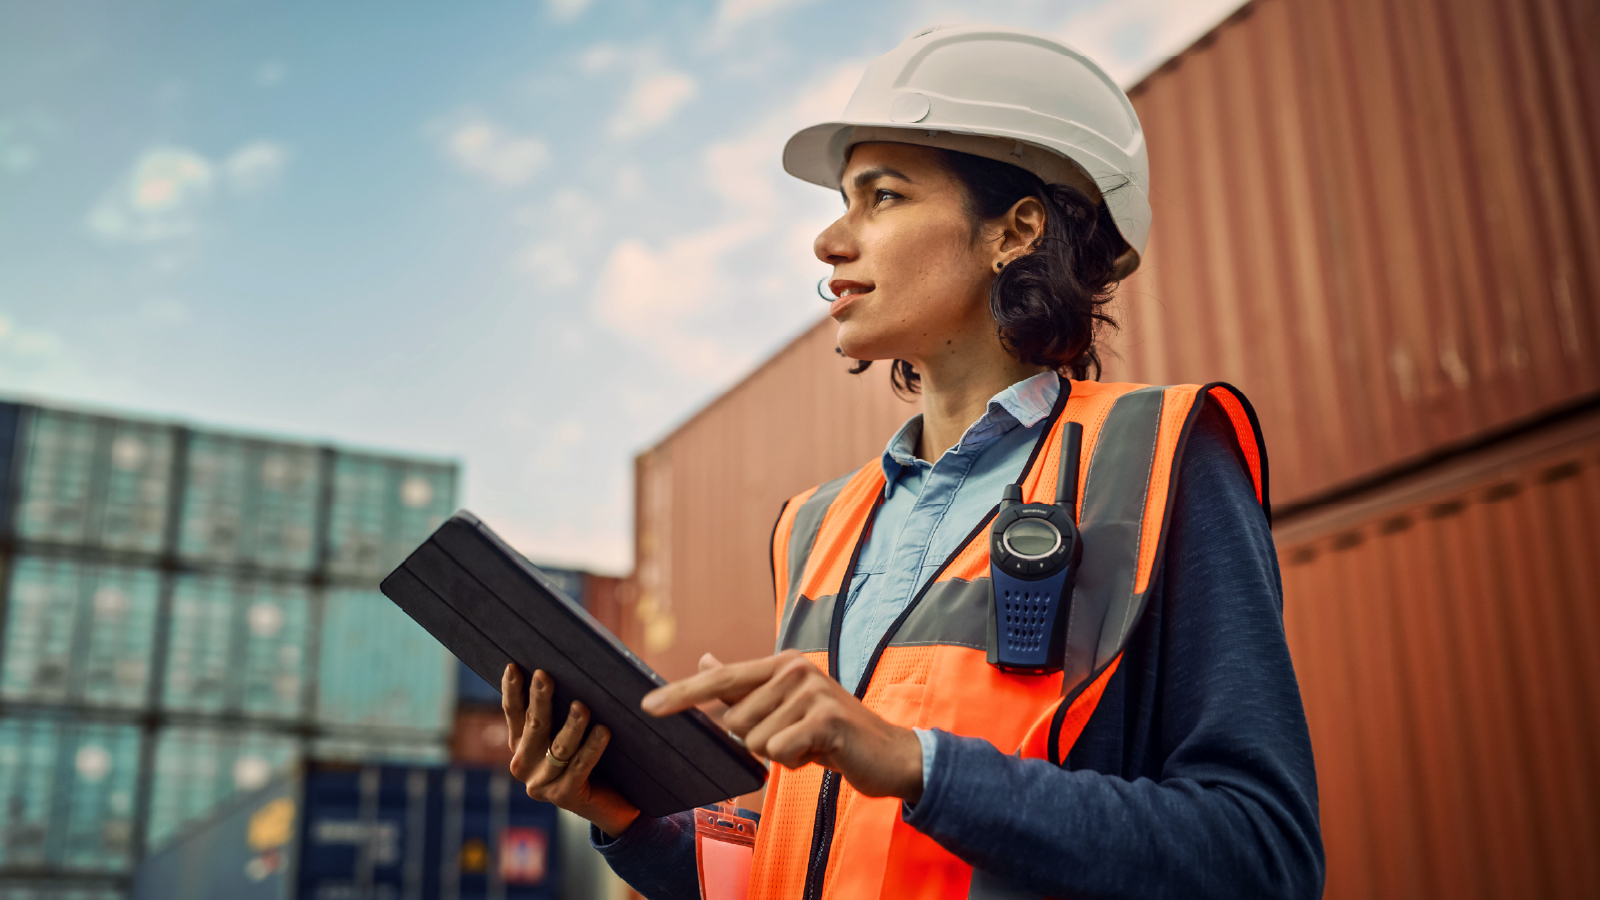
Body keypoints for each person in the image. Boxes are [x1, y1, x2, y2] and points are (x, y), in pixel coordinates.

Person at [499, 24, 1324, 899]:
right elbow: (811, 861)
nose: (828, 240)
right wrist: (632, 819)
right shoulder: (816, 528)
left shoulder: (1160, 458)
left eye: (881, 197)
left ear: (1015, 231)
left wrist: (917, 763)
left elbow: (1264, 854)